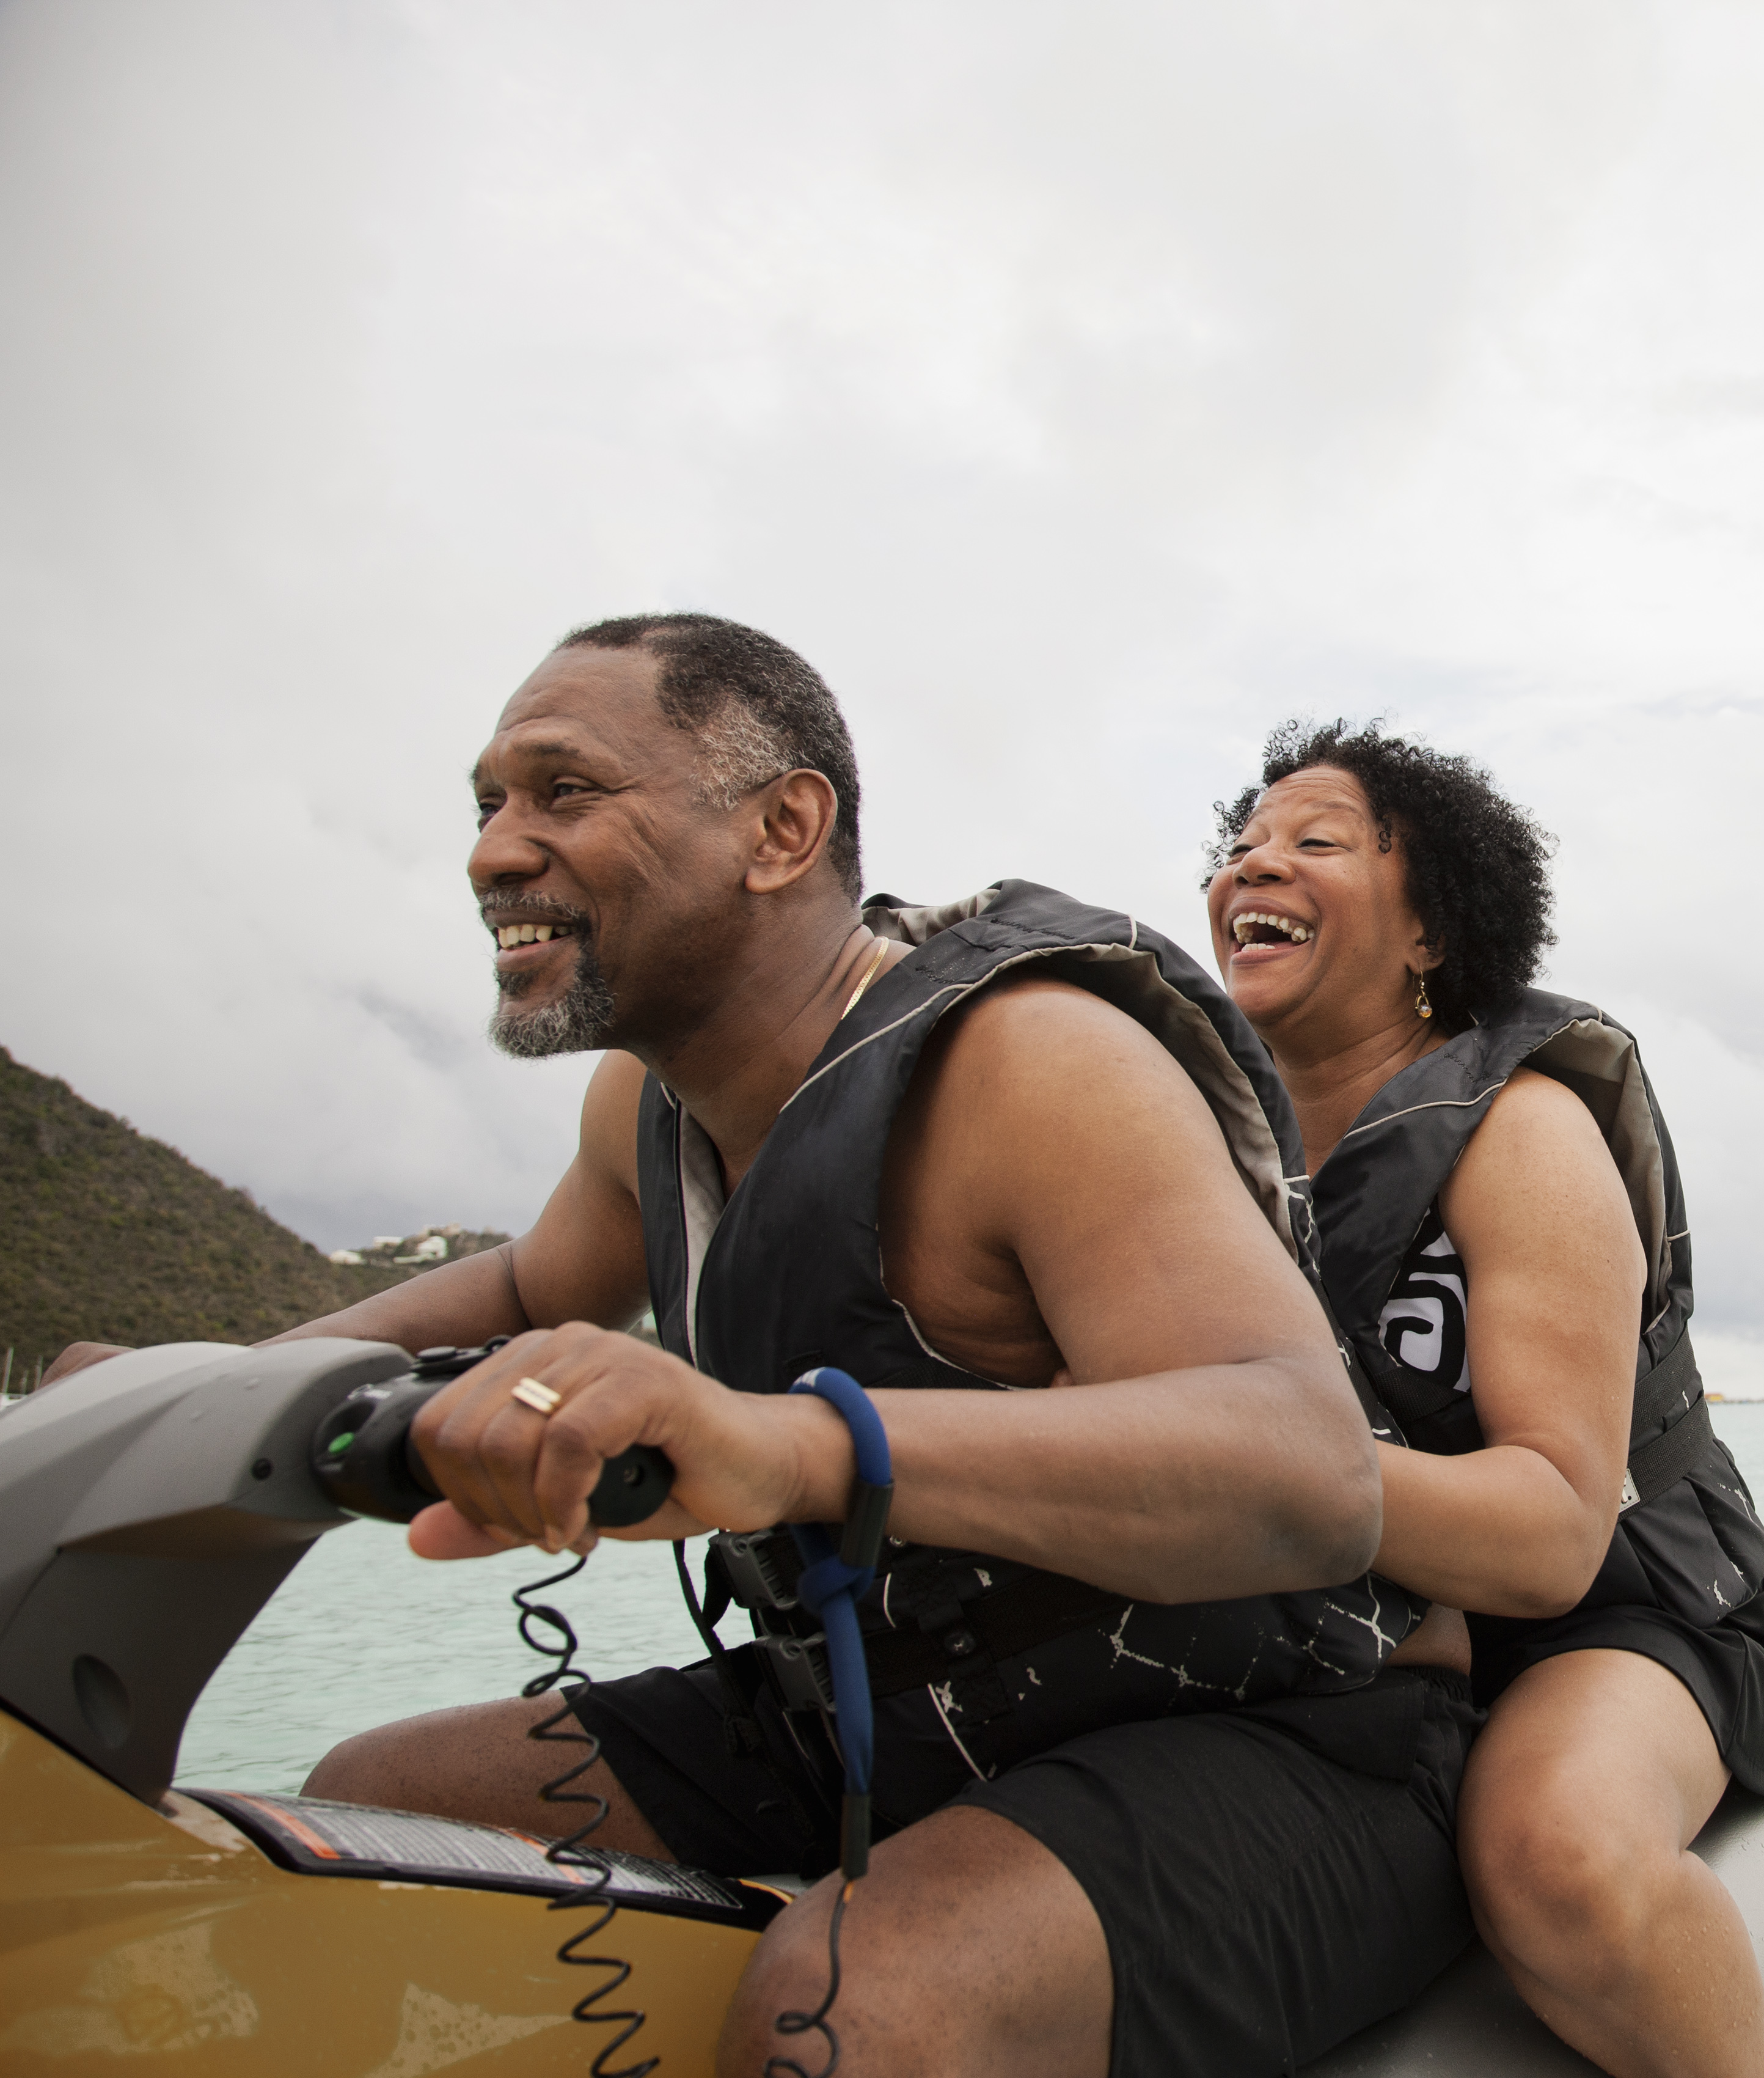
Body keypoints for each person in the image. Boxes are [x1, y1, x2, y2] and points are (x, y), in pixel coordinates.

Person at [53, 618, 1474, 2078]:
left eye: (564, 790)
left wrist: (788, 1444)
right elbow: (526, 1282)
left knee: (854, 1998)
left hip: (1301, 1735)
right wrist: (197, 1386)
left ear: (783, 826)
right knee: (377, 1808)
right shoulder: (647, 1112)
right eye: (488, 802)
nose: (494, 850)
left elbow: (1304, 1466)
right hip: (893, 1704)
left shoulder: (1030, 1061)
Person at [1206, 722, 1764, 2078]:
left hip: (1619, 1603)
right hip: (1367, 1614)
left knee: (1557, 1855)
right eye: (1244, 843)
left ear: (1430, 930)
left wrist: (1251, 1482)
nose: (1260, 861)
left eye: (1316, 840)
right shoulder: (1200, 1149)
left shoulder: (1518, 1130)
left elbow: (1559, 1524)